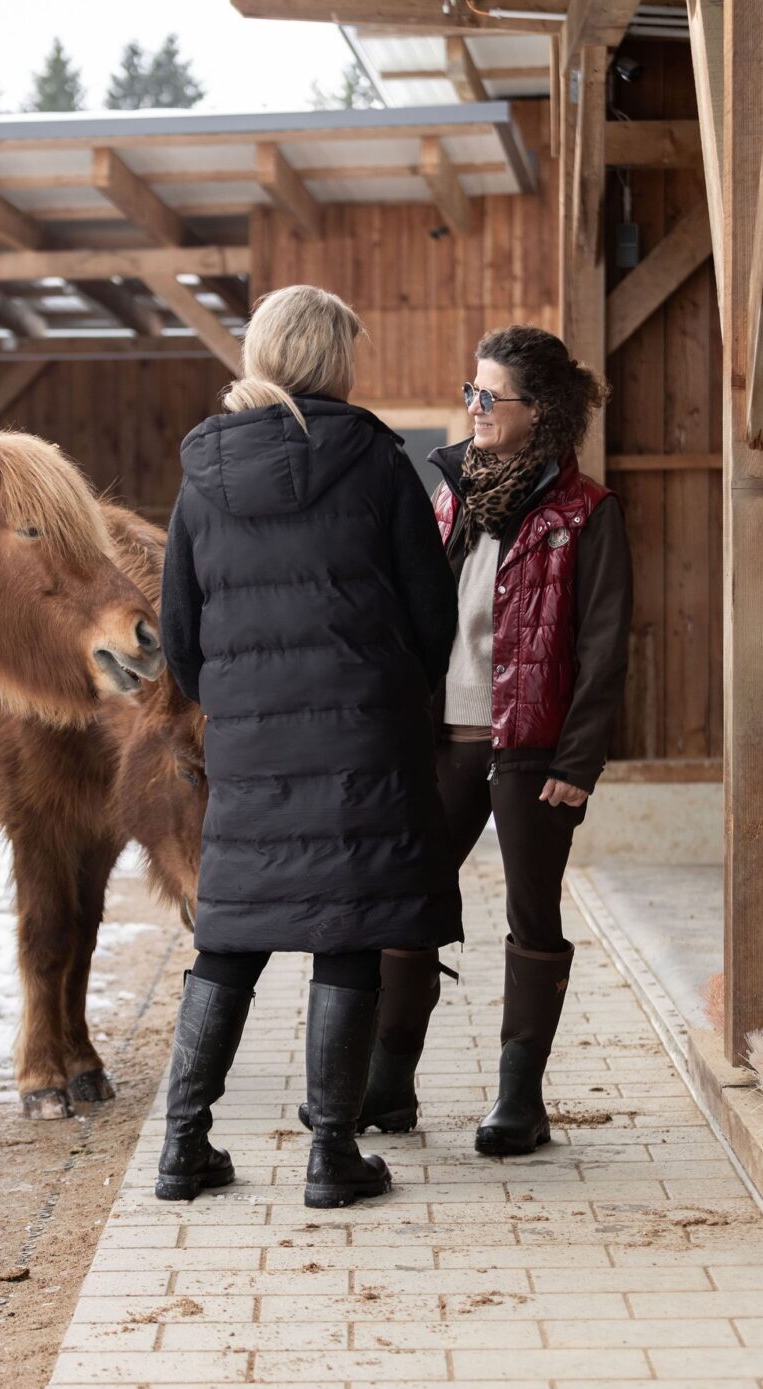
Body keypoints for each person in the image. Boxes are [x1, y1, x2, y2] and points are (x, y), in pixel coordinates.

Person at [155, 284, 463, 1210]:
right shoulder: (373, 460)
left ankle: (182, 1149)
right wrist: (391, 696)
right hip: (363, 740)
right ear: (333, 359)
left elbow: (180, 634)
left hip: (250, 746)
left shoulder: (201, 475)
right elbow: (431, 612)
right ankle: (331, 1155)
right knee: (348, 928)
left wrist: (239, 707)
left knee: (230, 934)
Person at [343, 324, 633, 1158]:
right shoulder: (450, 497)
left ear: (537, 410)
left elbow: (604, 648)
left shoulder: (586, 514)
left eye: (488, 395)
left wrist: (578, 761)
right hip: (440, 741)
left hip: (533, 749)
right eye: (470, 390)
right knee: (407, 902)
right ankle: (388, 1084)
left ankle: (518, 1099)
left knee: (530, 915)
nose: (472, 406)